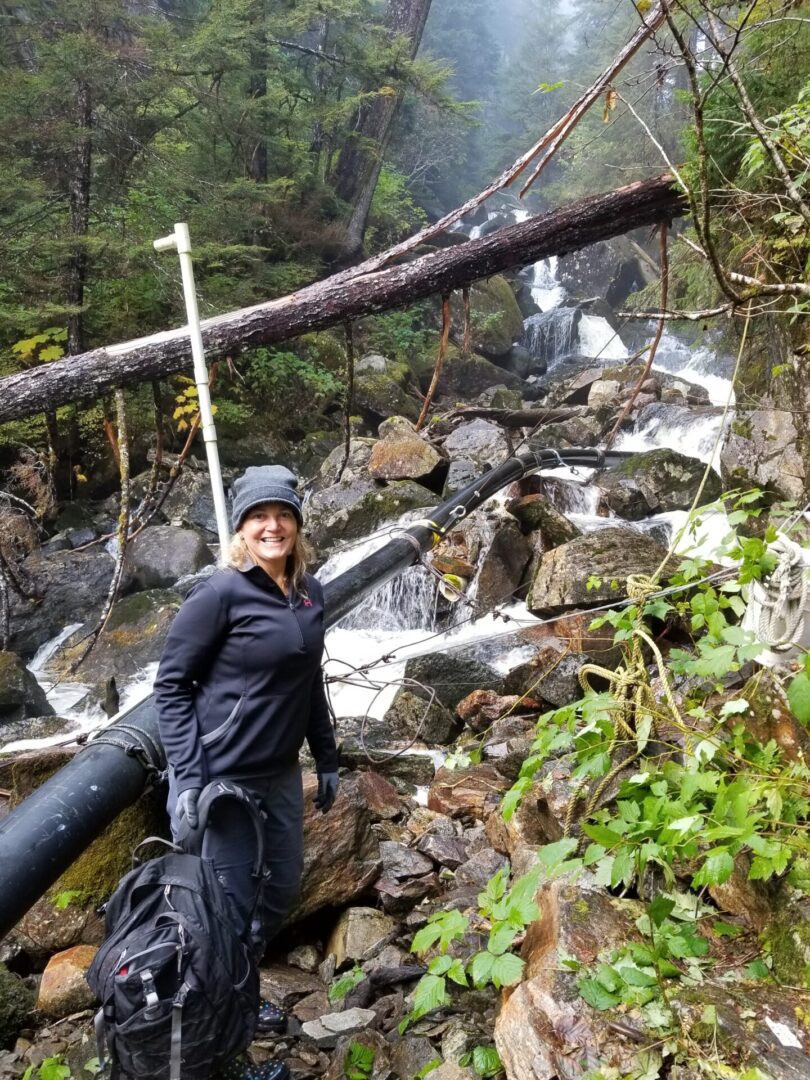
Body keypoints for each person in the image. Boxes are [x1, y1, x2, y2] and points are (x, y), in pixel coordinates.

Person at [153, 465, 339, 1080]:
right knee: (225, 913)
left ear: (297, 524)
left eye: (282, 514)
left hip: (280, 774)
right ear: (241, 528)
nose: (272, 525)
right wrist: (190, 776)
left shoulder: (310, 593)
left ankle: (240, 995)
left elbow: (309, 681)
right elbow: (171, 688)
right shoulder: (220, 594)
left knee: (279, 891)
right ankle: (220, 1052)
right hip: (221, 782)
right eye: (259, 516)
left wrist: (328, 756)